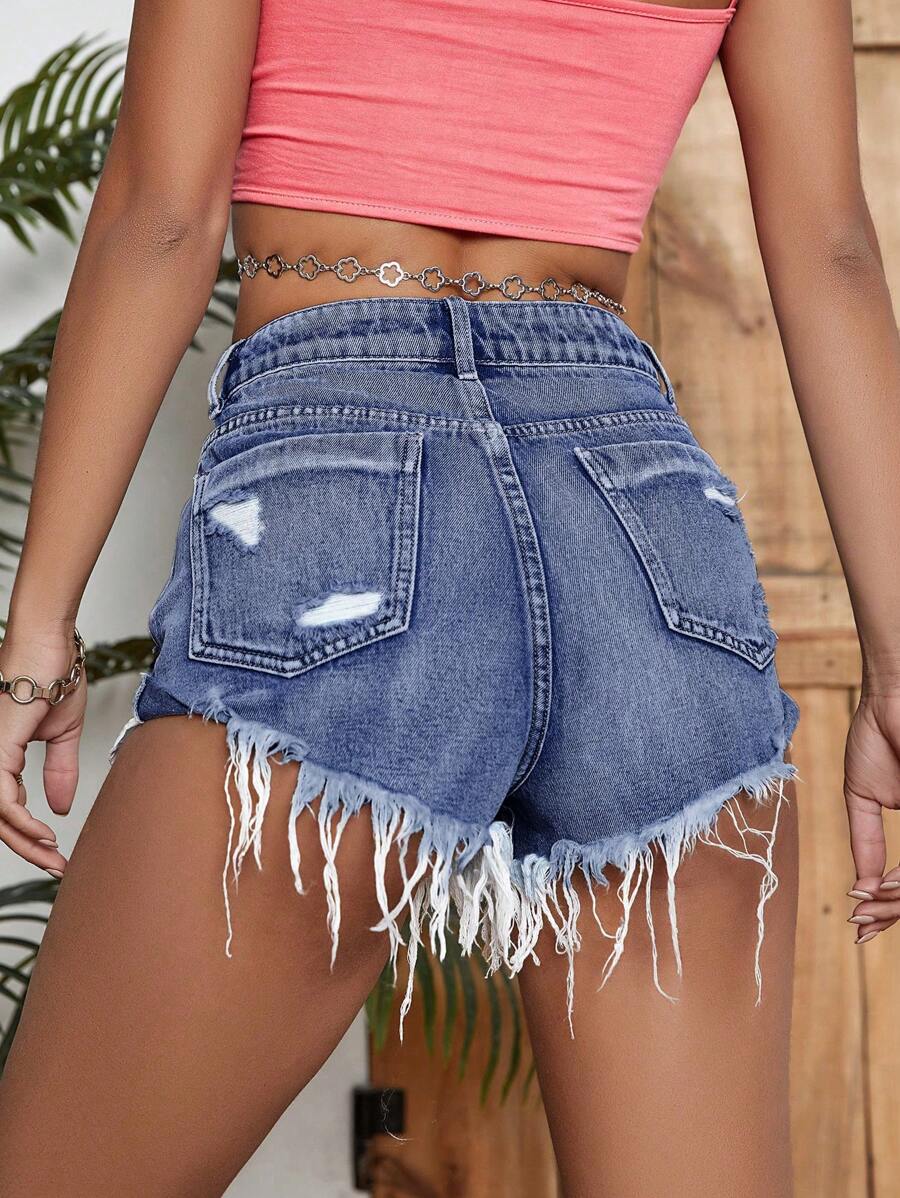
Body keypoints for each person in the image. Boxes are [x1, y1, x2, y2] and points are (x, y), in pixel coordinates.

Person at [0, 0, 897, 1193]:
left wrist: (40, 625)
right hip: (641, 526)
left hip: (341, 478)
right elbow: (832, 250)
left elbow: (162, 213)